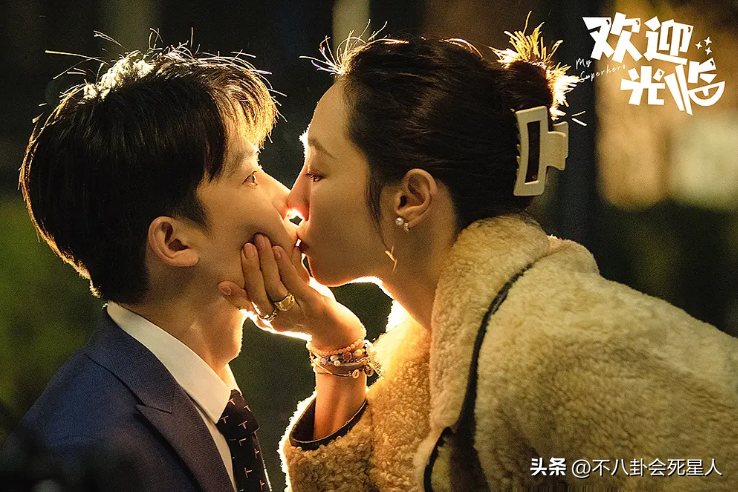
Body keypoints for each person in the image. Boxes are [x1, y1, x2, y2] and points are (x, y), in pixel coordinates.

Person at [219, 26, 738, 491]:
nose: (293, 199)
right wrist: (335, 346)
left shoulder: (554, 341)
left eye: (317, 170)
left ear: (410, 198)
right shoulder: (435, 346)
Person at [2, 46, 298, 492]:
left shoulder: (186, 390)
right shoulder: (92, 452)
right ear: (174, 241)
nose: (287, 199)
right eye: (251, 176)